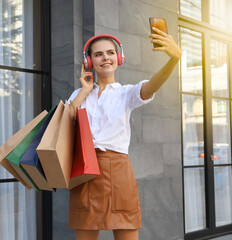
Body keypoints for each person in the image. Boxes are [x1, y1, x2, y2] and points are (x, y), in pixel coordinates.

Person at [67, 27, 182, 240]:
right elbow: (66, 122)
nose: (105, 58)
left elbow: (150, 87)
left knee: (126, 231)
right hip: (84, 170)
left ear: (119, 57)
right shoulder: (79, 94)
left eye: (110, 52)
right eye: (98, 54)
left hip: (118, 171)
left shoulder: (126, 92)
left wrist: (173, 60)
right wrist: (84, 90)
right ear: (89, 61)